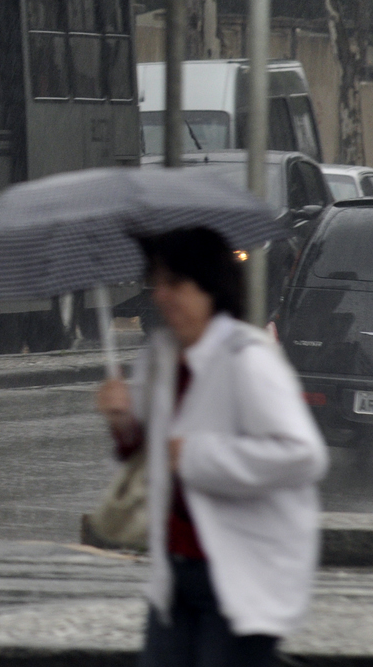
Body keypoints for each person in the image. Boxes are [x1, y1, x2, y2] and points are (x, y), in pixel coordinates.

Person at [95, 227, 327, 667]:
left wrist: (197, 456)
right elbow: (148, 455)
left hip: (240, 570)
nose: (162, 296)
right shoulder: (162, 356)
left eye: (175, 283)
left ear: (210, 286)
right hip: (177, 569)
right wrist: (123, 422)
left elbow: (302, 455)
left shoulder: (247, 358)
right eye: (156, 283)